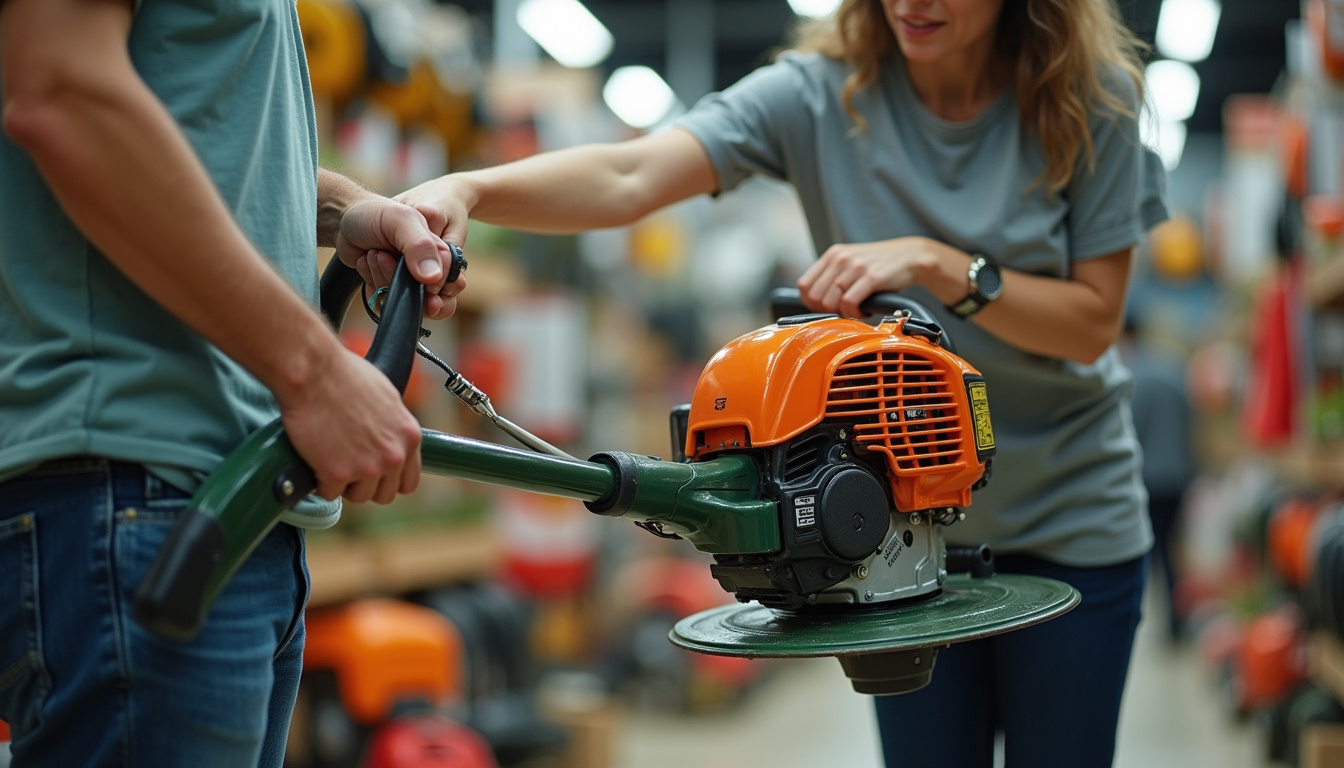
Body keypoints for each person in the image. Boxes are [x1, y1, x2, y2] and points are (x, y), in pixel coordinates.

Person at [392, 0, 1166, 765]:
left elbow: (1091, 324)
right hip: (890, 543)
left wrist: (938, 264)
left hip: (1071, 521)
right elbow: (631, 173)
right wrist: (470, 191)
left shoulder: (1089, 97)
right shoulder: (818, 95)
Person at [0, 1, 464, 766]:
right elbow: (63, 96)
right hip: (137, 498)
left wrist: (346, 210)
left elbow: (202, 136)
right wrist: (315, 373)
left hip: (222, 504)